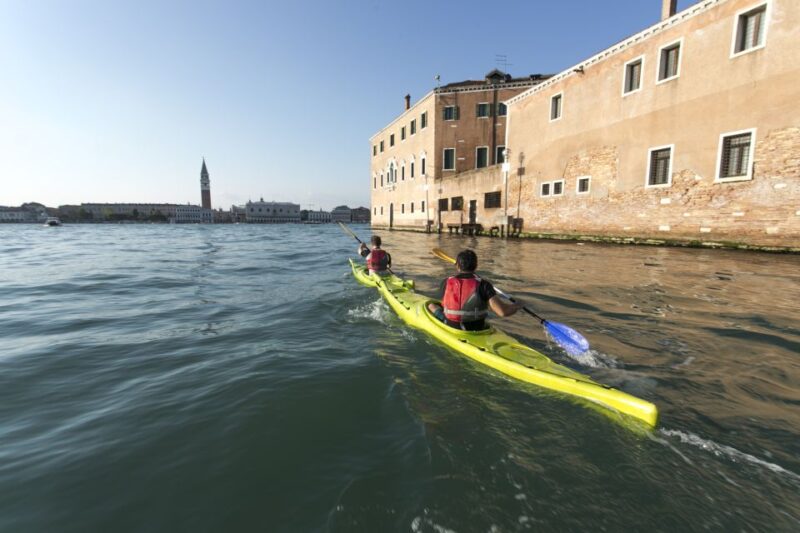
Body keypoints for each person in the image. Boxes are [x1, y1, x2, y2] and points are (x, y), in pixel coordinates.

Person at [427, 249, 522, 331]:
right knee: (486, 305)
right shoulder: (484, 285)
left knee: (431, 305)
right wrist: (517, 306)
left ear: (457, 266)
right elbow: (503, 312)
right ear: (476, 266)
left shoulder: (446, 282)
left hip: (451, 325)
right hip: (476, 328)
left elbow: (446, 305)